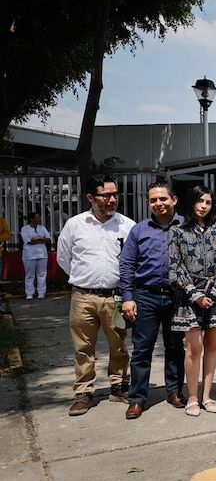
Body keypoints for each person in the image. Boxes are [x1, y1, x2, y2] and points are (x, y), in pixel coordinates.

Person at [56, 175, 136, 416]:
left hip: (117, 297)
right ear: (91, 197)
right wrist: (86, 280)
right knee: (83, 347)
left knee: (119, 344)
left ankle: (119, 386)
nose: (112, 200)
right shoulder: (75, 225)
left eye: (115, 195)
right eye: (106, 195)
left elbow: (134, 262)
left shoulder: (127, 225)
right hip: (83, 298)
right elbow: (64, 258)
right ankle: (84, 391)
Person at [169, 185, 216, 416]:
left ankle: (207, 395)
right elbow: (175, 266)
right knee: (194, 347)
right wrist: (195, 294)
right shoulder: (178, 231)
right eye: (199, 201)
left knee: (212, 345)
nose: (203, 206)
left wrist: (214, 292)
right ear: (190, 203)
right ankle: (192, 396)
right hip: (189, 297)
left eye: (208, 202)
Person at [119, 182, 186, 419]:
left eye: (163, 199)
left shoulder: (185, 227)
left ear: (174, 200)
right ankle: (137, 398)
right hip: (145, 296)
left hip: (177, 298)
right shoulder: (139, 230)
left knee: (176, 347)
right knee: (141, 350)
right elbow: (127, 264)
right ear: (148, 203)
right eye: (153, 200)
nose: (158, 203)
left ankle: (175, 391)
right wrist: (128, 297)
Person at [20, 211, 50, 299]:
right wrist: (40, 240)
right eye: (37, 217)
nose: (39, 219)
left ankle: (41, 292)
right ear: (31, 219)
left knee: (42, 274)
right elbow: (28, 241)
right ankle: (29, 293)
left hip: (42, 254)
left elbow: (48, 239)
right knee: (30, 275)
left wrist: (39, 238)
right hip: (29, 255)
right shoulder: (25, 229)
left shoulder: (42, 228)